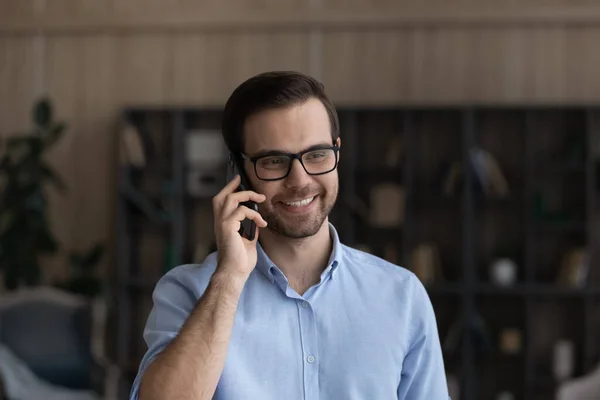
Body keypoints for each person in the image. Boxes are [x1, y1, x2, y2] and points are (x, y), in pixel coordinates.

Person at [130, 71, 450, 400]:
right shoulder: (188, 292)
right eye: (274, 161)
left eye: (316, 155)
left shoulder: (402, 296)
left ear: (337, 152)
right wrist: (229, 280)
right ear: (239, 172)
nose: (299, 180)